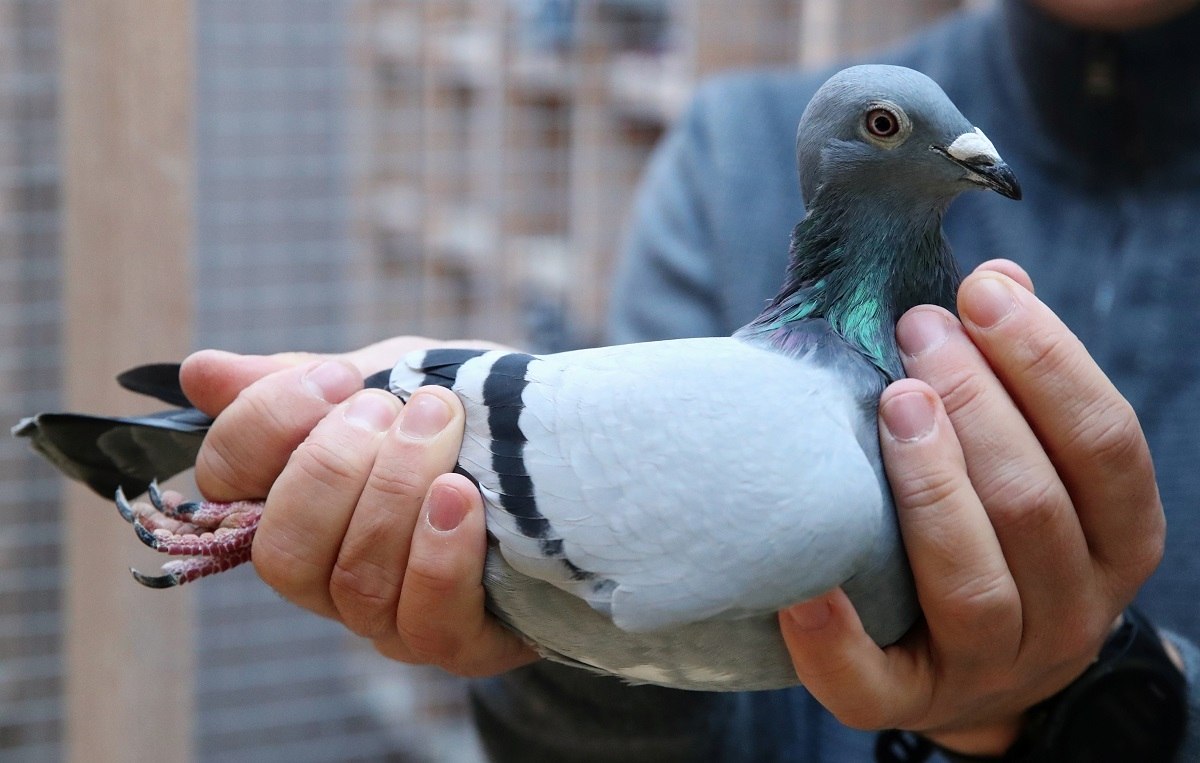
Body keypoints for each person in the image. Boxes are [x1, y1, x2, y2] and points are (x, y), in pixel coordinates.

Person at [176, 0, 1200, 759]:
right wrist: (559, 669)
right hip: (472, 457)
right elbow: (663, 636)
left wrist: (1106, 706)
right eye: (890, 131)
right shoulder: (727, 155)